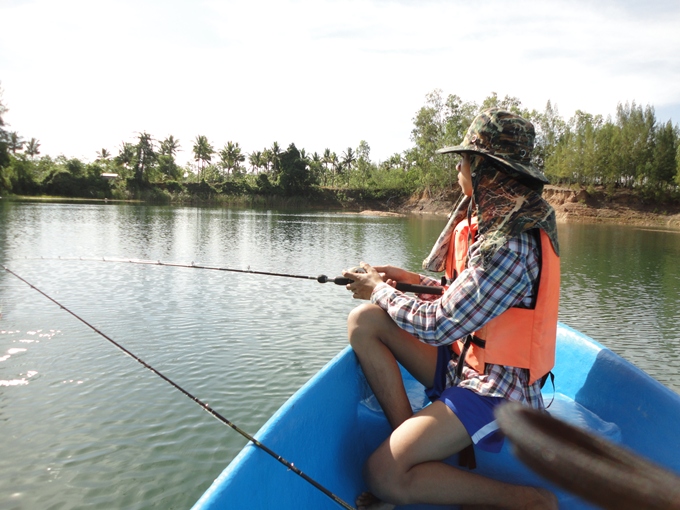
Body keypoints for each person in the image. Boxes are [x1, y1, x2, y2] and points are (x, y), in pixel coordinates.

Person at [344, 108, 561, 510]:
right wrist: (403, 278)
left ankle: (531, 502)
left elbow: (440, 323)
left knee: (382, 474)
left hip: (500, 390)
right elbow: (457, 295)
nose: (458, 169)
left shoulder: (511, 244)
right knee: (365, 322)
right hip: (467, 363)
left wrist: (378, 289)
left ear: (484, 167)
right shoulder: (490, 222)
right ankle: (414, 443)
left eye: (463, 160)